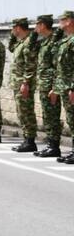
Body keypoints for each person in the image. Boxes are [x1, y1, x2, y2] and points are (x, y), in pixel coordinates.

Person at [34, 14, 64, 157]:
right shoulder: (45, 42)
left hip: (50, 86)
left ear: (43, 25)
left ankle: (54, 146)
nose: (35, 28)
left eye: (37, 25)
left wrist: (54, 88)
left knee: (52, 116)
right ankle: (51, 145)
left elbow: (57, 66)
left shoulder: (54, 42)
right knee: (47, 116)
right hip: (44, 85)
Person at [8, 18, 39, 152]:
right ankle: (27, 140)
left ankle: (30, 141)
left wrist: (26, 83)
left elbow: (30, 65)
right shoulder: (21, 42)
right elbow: (11, 47)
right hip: (18, 83)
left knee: (26, 113)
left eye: (13, 28)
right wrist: (11, 35)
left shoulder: (28, 43)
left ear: (18, 28)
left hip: (23, 84)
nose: (12, 30)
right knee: (22, 113)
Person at [51, 11, 74, 163]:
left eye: (62, 20)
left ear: (70, 21)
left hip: (71, 87)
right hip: (64, 86)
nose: (59, 23)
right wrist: (56, 87)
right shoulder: (66, 40)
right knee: (71, 120)